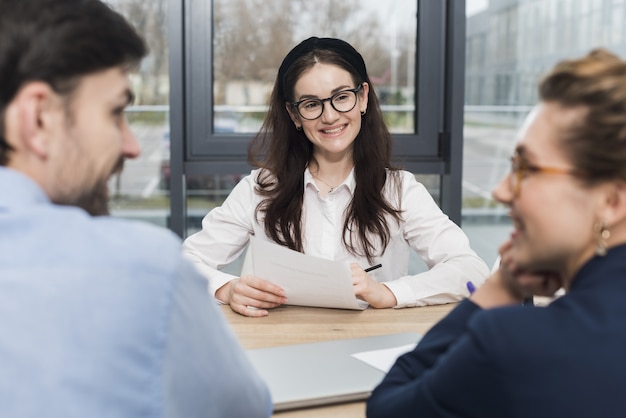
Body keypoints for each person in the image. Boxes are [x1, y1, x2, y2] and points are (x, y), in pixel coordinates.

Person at [0, 1, 271, 417]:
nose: (132, 145)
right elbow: (244, 409)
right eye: (116, 112)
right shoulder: (142, 269)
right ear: (38, 118)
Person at [367, 48, 626, 418]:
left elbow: (388, 410)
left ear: (611, 201)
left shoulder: (516, 344)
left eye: (527, 169)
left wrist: (499, 290)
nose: (501, 190)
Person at [183, 36, 489, 317]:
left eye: (341, 97)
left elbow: (470, 269)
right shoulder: (259, 189)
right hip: (281, 349)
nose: (329, 116)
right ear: (294, 115)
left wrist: (388, 292)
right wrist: (227, 288)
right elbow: (184, 263)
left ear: (364, 97)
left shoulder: (400, 191)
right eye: (312, 104)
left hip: (370, 349)